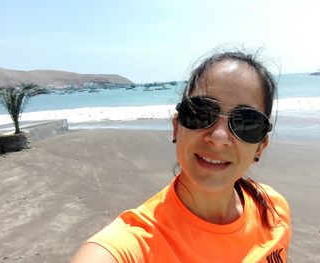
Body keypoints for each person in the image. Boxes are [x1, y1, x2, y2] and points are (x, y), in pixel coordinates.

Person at [71, 50, 291, 263]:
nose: (219, 137)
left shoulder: (273, 208)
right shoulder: (135, 243)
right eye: (201, 112)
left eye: (246, 122)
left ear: (261, 146)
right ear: (176, 127)